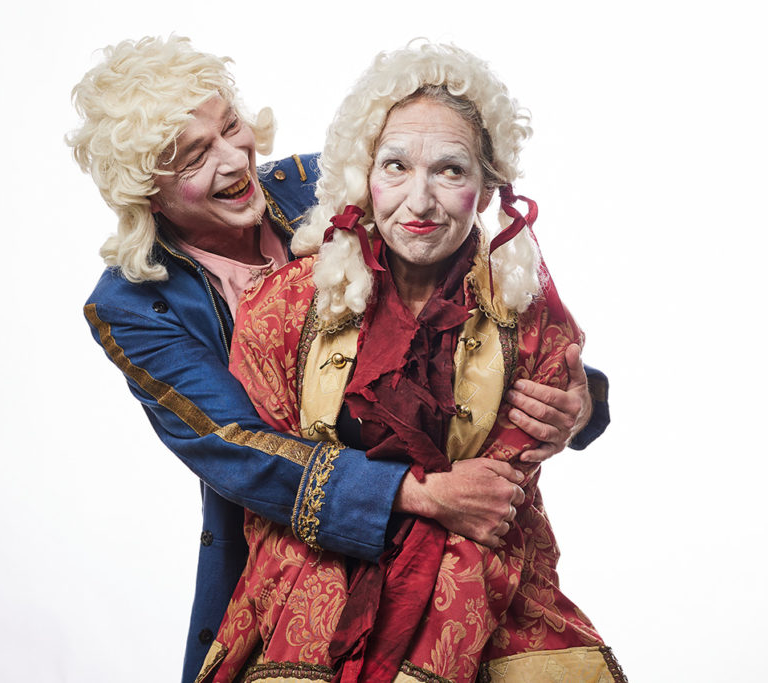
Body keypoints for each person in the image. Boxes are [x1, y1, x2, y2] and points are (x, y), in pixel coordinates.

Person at [66, 36, 611, 683]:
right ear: (148, 193)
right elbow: (235, 444)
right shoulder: (130, 304)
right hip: (293, 555)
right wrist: (422, 494)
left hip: (464, 544)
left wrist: (575, 403)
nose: (235, 159)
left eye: (230, 127)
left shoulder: (323, 180)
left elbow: (476, 308)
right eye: (194, 156)